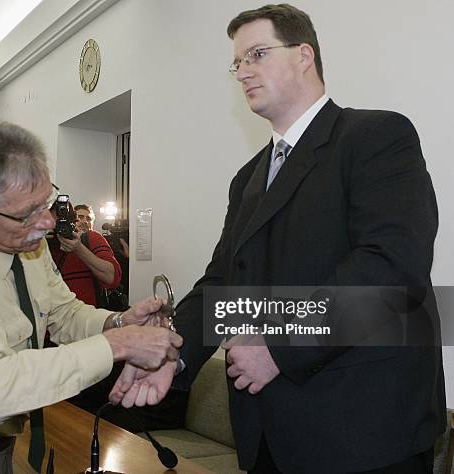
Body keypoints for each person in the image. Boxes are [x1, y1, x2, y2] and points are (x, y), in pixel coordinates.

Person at [111, 4, 445, 473]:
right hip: (266, 429)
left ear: (304, 55)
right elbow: (223, 284)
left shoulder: (376, 135)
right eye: (238, 62)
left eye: (257, 54)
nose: (243, 71)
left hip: (362, 431)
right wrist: (173, 352)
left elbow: (391, 269)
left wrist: (279, 346)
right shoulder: (247, 178)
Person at [0, 118, 181, 472]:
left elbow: (63, 314)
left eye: (46, 203)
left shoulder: (27, 245)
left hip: (7, 442)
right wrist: (119, 345)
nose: (47, 222)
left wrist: (118, 321)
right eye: (26, 213)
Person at [49, 202, 122, 308]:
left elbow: (112, 277)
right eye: (80, 217)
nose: (84, 222)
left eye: (88, 219)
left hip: (88, 316)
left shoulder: (92, 238)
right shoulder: (44, 244)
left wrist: (79, 249)